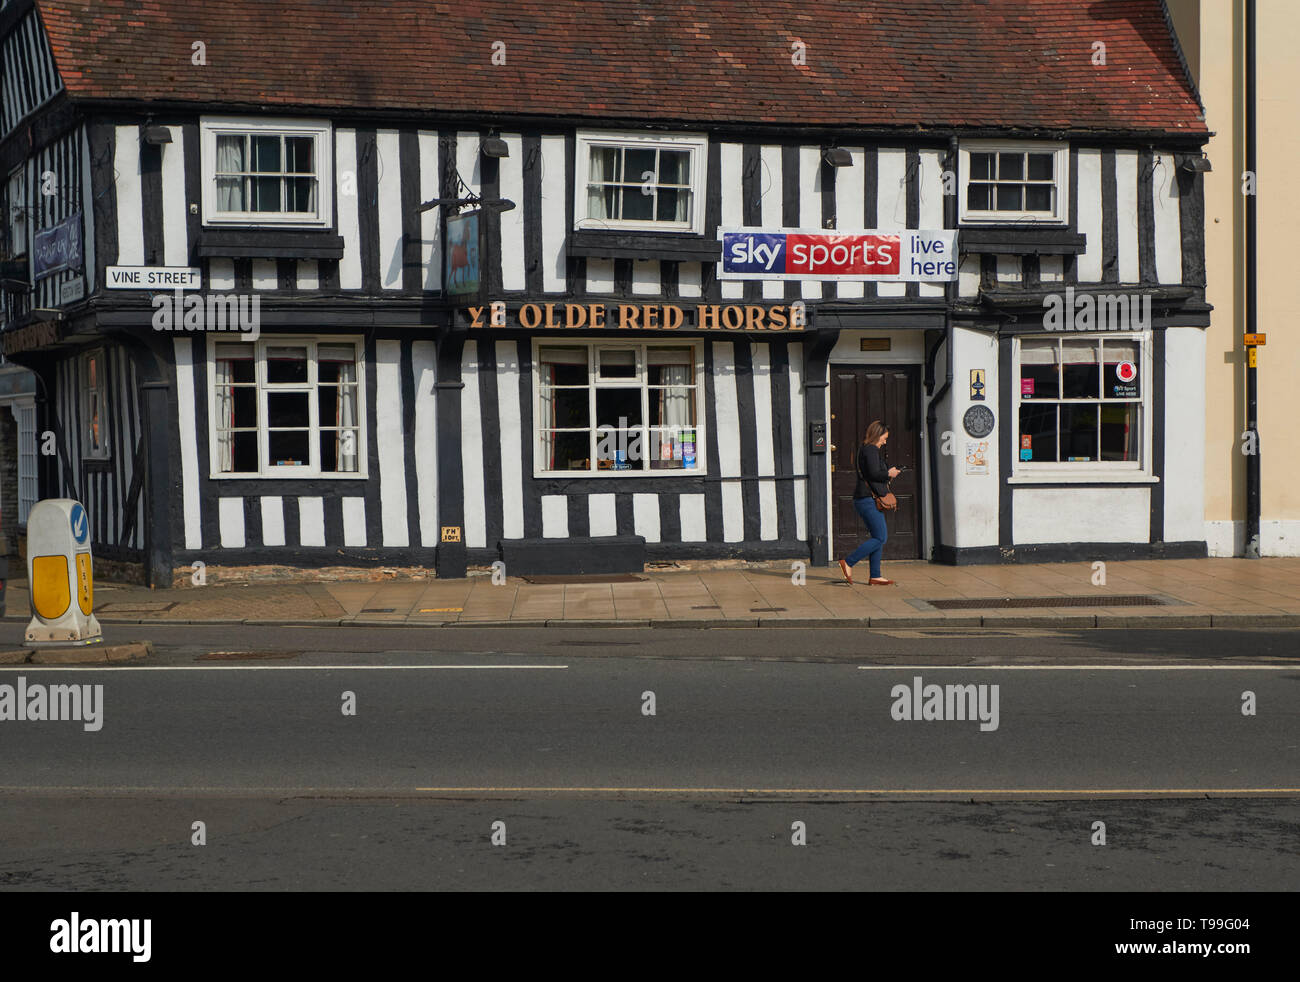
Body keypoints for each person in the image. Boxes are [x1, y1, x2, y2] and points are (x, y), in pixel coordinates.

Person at [838, 420, 899, 586]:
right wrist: (889, 473)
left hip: (865, 498)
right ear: (877, 436)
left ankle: (875, 576)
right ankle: (849, 562)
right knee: (881, 537)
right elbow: (873, 473)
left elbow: (871, 472)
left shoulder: (863, 449)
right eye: (884, 438)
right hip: (867, 499)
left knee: (877, 536)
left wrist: (887, 474)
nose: (885, 442)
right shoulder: (871, 450)